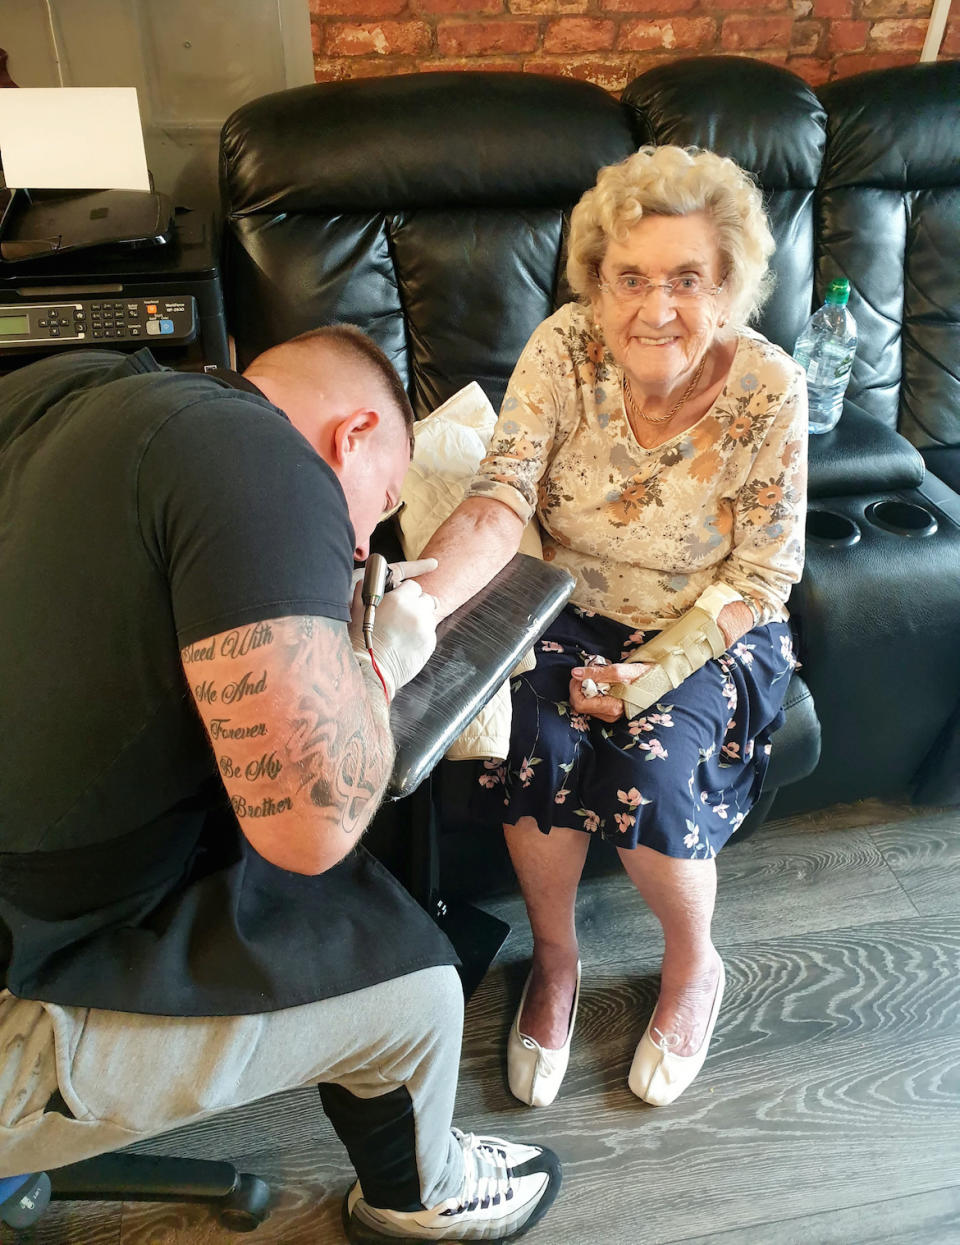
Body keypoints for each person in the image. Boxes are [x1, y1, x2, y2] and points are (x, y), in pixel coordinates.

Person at [0, 327, 561, 1243]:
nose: (363, 545)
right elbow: (313, 826)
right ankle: (426, 1198)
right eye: (377, 510)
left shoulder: (67, 388)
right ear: (354, 434)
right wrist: (377, 663)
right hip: (18, 1002)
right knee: (420, 993)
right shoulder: (267, 459)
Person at [418, 146, 808, 1109]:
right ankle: (555, 960)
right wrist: (416, 608)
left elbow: (765, 571)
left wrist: (646, 680)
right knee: (534, 745)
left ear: (728, 285)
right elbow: (500, 496)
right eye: (629, 277)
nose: (656, 307)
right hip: (566, 603)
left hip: (710, 623)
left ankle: (693, 965)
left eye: (687, 278)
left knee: (649, 771)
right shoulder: (562, 348)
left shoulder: (770, 388)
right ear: (597, 280)